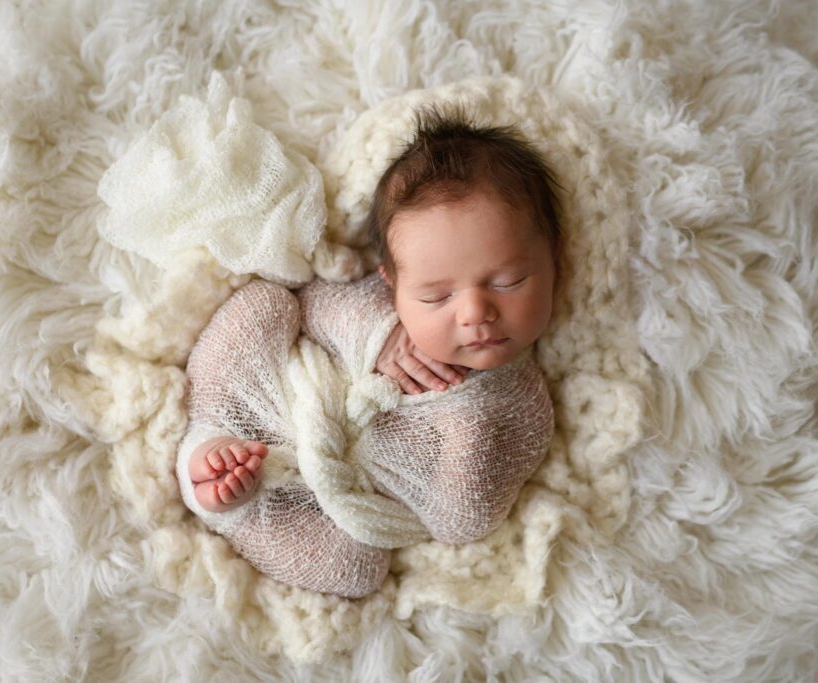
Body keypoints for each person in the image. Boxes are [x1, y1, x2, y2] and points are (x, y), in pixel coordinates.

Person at [176, 106, 564, 598]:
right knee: (264, 306)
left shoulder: (523, 404)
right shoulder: (381, 308)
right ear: (394, 285)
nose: (474, 312)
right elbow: (310, 304)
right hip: (276, 399)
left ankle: (237, 503)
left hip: (332, 499)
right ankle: (207, 435)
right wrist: (379, 333)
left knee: (355, 570)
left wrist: (471, 444)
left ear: (556, 264)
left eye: (508, 282)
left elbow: (463, 525)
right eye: (435, 297)